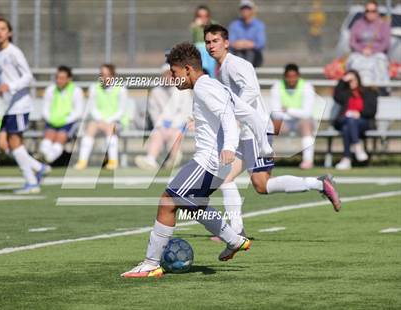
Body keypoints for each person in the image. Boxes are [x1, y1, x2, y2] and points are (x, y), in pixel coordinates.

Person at [120, 42, 272, 278]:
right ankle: (234, 240)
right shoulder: (214, 86)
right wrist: (263, 144)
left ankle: (151, 263)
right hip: (219, 165)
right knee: (195, 206)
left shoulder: (203, 88)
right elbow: (250, 114)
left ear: (188, 69)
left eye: (174, 73)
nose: (172, 78)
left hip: (208, 162)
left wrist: (230, 146)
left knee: (168, 202)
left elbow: (228, 118)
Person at [203, 24, 341, 237]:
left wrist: (233, 113)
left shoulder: (233, 65)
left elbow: (251, 90)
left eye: (215, 41)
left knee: (261, 185)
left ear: (226, 43)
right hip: (246, 132)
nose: (211, 46)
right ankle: (236, 230)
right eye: (208, 42)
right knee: (227, 178)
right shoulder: (223, 68)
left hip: (254, 132)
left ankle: (319, 183)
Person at [0, 18, 50, 194]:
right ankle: (38, 168)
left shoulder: (13, 52)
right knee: (5, 145)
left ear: (9, 33)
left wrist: (9, 87)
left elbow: (28, 76)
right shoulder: (0, 54)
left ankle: (32, 182)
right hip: (9, 106)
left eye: (3, 29)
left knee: (15, 143)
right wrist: (0, 92)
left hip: (20, 106)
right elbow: (7, 80)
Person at [134, 64, 192, 171]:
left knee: (175, 134)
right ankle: (151, 159)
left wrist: (173, 125)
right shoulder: (156, 92)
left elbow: (185, 112)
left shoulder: (183, 90)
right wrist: (161, 124)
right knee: (157, 134)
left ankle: (174, 158)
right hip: (162, 126)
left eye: (170, 75)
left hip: (179, 125)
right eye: (165, 75)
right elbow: (154, 112)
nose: (168, 77)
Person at [74, 64, 127, 170]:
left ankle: (113, 161)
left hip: (116, 121)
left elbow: (121, 110)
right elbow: (92, 108)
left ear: (113, 76)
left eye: (107, 75)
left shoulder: (121, 89)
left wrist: (108, 120)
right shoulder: (94, 87)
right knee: (90, 128)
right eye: (102, 75)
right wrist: (101, 120)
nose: (104, 78)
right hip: (99, 121)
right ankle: (82, 161)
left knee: (110, 128)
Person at [270, 63, 316, 169]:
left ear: (298, 76)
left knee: (306, 124)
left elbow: (307, 113)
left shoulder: (307, 86)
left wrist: (288, 110)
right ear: (284, 77)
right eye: (289, 77)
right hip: (284, 123)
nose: (291, 80)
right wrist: (295, 113)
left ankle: (308, 161)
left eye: (294, 76)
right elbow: (276, 112)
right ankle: (265, 159)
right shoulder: (277, 86)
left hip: (302, 123)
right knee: (270, 126)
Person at [333, 70, 378, 170]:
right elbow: (336, 96)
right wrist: (342, 80)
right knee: (348, 122)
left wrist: (359, 113)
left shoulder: (367, 92)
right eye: (348, 81)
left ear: (358, 79)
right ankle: (357, 148)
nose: (351, 83)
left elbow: (372, 110)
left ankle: (347, 158)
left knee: (349, 124)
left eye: (352, 80)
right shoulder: (345, 93)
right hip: (345, 120)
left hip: (362, 121)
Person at [39, 65, 84, 164]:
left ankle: (47, 161)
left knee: (60, 137)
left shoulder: (76, 91)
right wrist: (51, 119)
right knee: (48, 136)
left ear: (69, 79)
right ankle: (42, 160)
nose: (59, 80)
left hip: (68, 122)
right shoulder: (50, 90)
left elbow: (78, 112)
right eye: (58, 78)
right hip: (52, 121)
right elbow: (45, 108)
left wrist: (64, 120)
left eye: (62, 78)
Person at [347, 0, 391, 85]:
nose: (370, 13)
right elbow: (352, 41)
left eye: (373, 11)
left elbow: (386, 43)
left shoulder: (383, 24)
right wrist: (362, 50)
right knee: (354, 63)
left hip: (377, 54)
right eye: (368, 11)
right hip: (359, 54)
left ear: (377, 12)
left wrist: (372, 51)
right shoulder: (358, 24)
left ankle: (380, 90)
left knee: (380, 64)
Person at [228, 0, 266, 67]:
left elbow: (261, 43)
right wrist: (245, 44)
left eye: (247, 9)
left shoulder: (259, 25)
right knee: (239, 54)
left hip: (254, 55)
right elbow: (230, 42)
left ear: (252, 10)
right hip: (237, 53)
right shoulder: (234, 24)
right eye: (243, 9)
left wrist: (246, 44)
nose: (245, 11)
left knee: (250, 53)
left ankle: (247, 71)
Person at [190, 5, 216, 77]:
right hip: (199, 52)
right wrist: (195, 26)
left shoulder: (214, 25)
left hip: (210, 52)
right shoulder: (195, 27)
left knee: (211, 72)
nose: (203, 18)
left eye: (205, 16)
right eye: (200, 16)